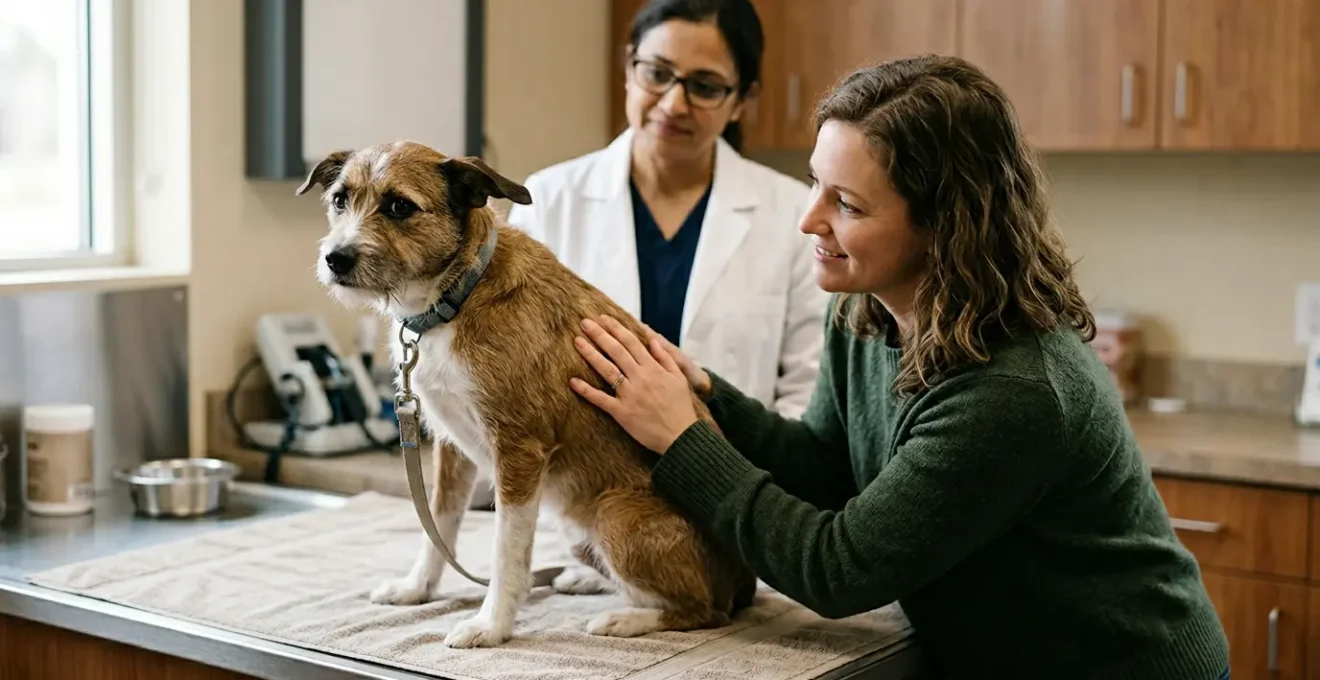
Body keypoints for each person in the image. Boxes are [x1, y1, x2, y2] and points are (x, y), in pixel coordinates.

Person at [566, 55, 1231, 679]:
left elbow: (839, 568)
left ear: (946, 226)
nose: (808, 221)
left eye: (847, 205)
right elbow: (827, 467)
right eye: (814, 184)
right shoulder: (867, 312)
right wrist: (704, 391)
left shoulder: (1016, 389)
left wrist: (683, 440)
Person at [507, 0, 828, 417]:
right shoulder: (550, 201)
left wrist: (745, 482)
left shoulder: (793, 217)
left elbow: (808, 393)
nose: (675, 103)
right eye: (657, 74)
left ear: (742, 100)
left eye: (705, 86)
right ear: (628, 67)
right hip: (578, 474)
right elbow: (512, 369)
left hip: (733, 472)